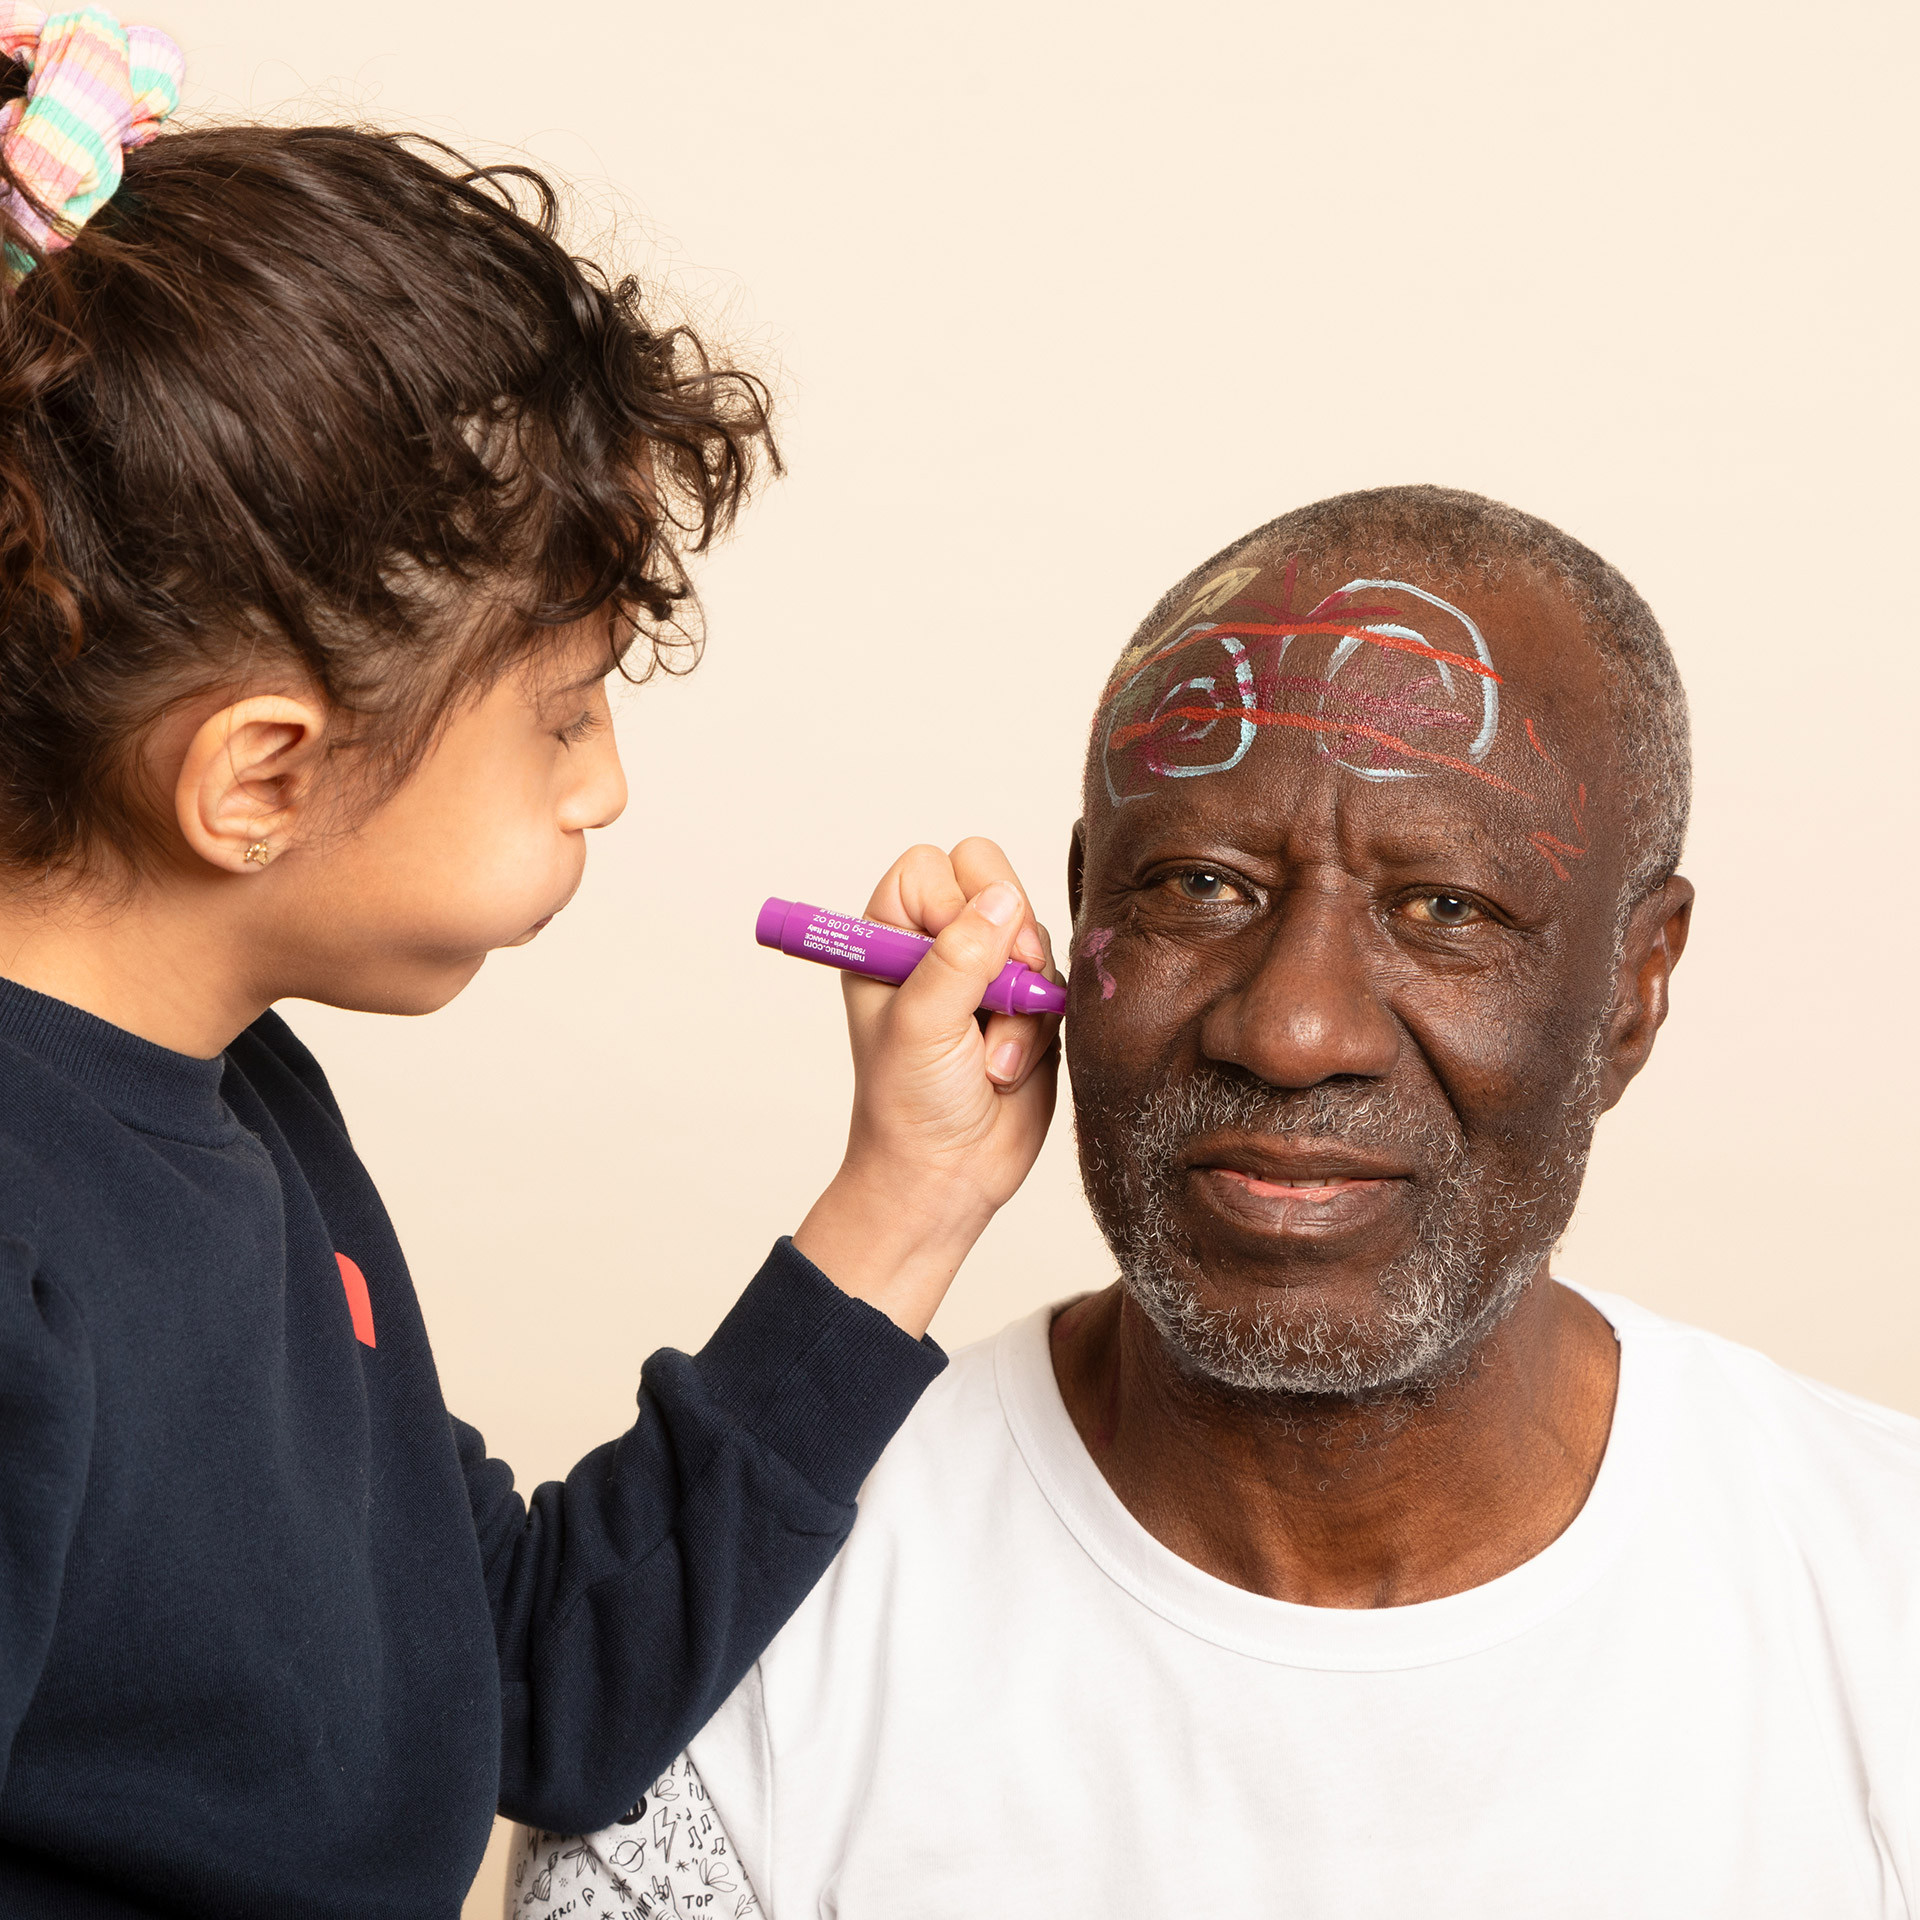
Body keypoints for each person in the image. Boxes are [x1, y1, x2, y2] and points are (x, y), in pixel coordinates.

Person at [0, 16, 1060, 1917]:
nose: (612, 785)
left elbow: (523, 1687)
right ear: (263, 774)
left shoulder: (243, 1096)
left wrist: (907, 1191)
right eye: (562, 718)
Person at [520, 484, 1920, 1918]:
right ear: (1079, 913)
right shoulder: (711, 1630)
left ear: (1637, 982)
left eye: (1445, 908)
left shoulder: (1884, 1598)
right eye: (1201, 883)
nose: (1293, 1030)